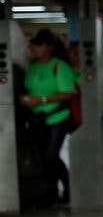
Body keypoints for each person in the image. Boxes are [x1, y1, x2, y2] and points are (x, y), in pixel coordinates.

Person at [19, 29, 75, 206]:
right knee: (43, 156)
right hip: (38, 118)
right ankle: (50, 191)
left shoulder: (59, 66)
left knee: (52, 154)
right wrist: (26, 100)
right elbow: (27, 87)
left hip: (57, 116)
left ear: (49, 47)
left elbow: (67, 93)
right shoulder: (33, 67)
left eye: (38, 45)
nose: (34, 48)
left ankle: (67, 188)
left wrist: (42, 99)